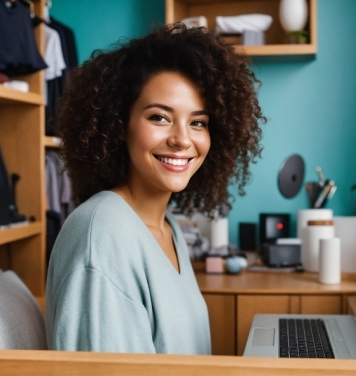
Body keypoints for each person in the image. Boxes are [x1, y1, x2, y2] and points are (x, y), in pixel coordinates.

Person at [45, 23, 265, 354]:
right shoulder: (102, 235)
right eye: (160, 117)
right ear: (120, 125)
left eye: (198, 122)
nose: (182, 139)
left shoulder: (167, 227)